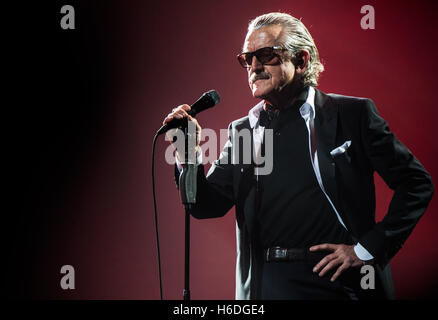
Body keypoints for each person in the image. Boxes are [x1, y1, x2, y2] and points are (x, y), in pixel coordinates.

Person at [162, 12, 434, 299]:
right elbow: (205, 206)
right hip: (265, 288)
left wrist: (368, 249)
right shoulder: (244, 130)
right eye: (247, 58)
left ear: (301, 60)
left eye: (266, 55)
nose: (254, 66)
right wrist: (188, 155)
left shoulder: (352, 115)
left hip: (342, 285)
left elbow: (416, 183)